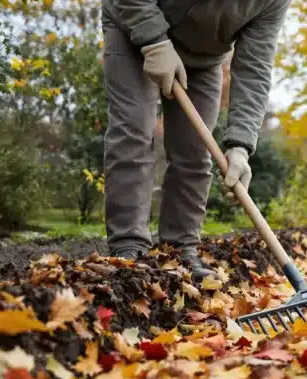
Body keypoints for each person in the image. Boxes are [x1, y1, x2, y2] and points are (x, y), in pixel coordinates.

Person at [100, 0, 290, 281]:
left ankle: (179, 250)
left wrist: (240, 146)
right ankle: (129, 248)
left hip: (203, 58)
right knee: (134, 132)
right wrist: (154, 42)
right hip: (132, 25)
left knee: (194, 153)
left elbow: (255, 66)